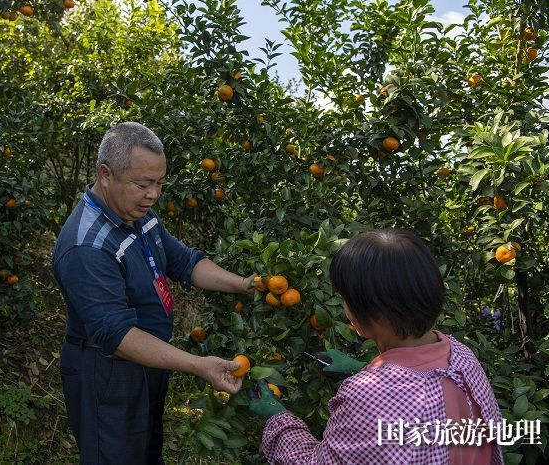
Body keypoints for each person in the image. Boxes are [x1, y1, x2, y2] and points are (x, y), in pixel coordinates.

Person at [53, 121, 254, 465]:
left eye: (160, 183)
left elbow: (183, 262)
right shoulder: (87, 247)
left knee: (146, 453)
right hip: (108, 373)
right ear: (105, 174)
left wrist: (245, 285)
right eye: (143, 184)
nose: (154, 194)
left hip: (148, 362)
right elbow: (117, 335)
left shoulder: (138, 214)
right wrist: (198, 365)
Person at [249, 228, 503, 464]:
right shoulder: (462, 356)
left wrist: (279, 421)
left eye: (345, 299)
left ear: (373, 315)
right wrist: (361, 368)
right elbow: (429, 390)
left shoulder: (365, 397)